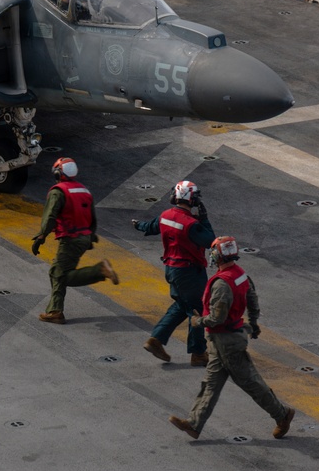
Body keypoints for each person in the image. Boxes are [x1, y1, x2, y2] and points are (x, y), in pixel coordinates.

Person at [169, 236, 295, 440]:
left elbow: (217, 318)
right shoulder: (240, 275)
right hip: (221, 343)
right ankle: (194, 424)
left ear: (217, 255)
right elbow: (252, 300)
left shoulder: (221, 284)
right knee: (210, 384)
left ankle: (282, 415)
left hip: (227, 342)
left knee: (252, 383)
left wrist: (197, 322)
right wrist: (253, 324)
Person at [132, 180, 213, 366]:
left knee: (180, 306)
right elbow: (211, 241)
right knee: (197, 311)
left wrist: (138, 225)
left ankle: (156, 339)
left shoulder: (165, 216)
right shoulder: (191, 224)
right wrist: (205, 218)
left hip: (172, 269)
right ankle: (199, 353)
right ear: (193, 200)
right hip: (190, 273)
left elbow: (150, 227)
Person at [31, 156, 119, 324]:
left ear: (58, 173)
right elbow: (92, 218)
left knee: (60, 275)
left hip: (70, 238)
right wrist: (90, 236)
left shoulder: (58, 191)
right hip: (84, 237)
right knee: (58, 272)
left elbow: (50, 215)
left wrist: (41, 236)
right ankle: (55, 310)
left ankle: (100, 270)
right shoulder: (84, 191)